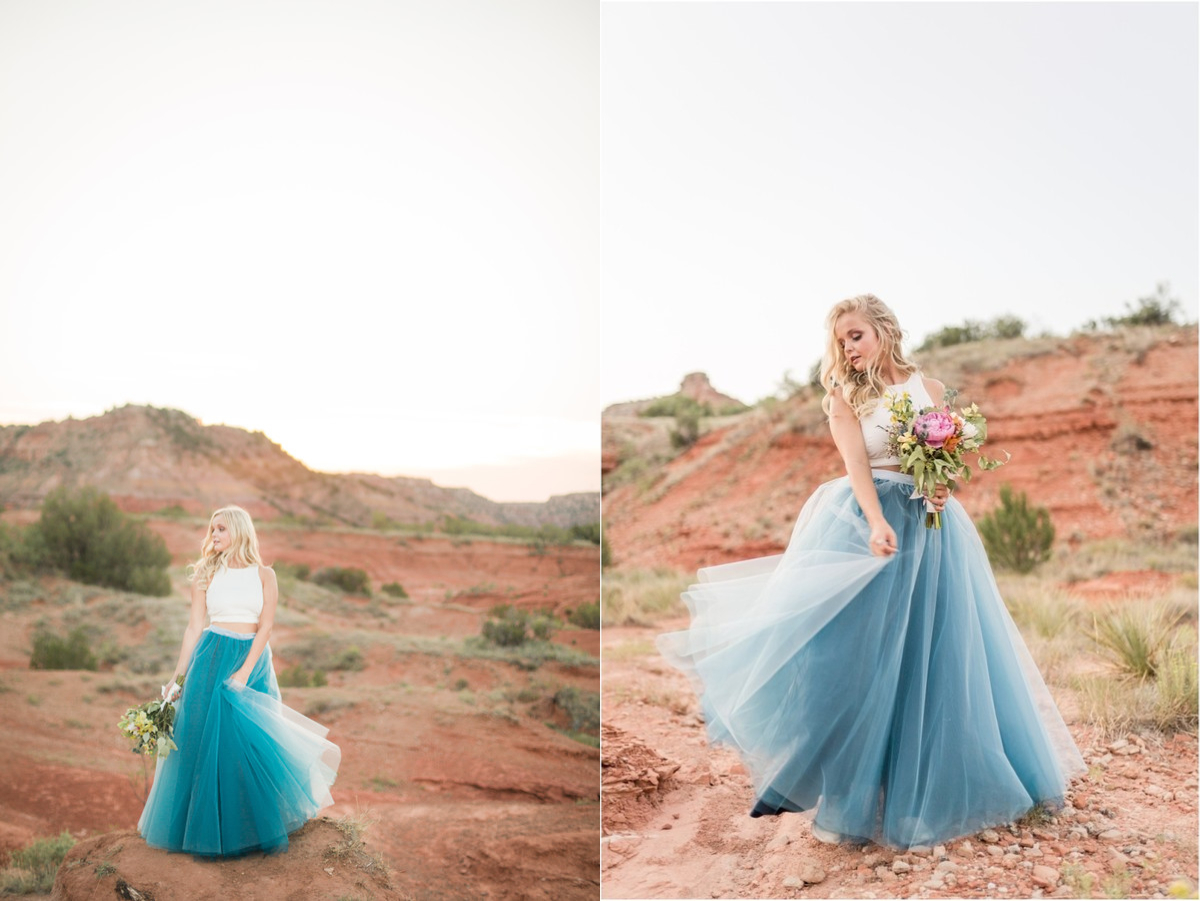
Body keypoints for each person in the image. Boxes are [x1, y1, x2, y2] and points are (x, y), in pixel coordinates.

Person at [658, 294, 1085, 851]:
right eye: (841, 340)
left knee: (937, 653)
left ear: (883, 329)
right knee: (846, 652)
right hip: (871, 523)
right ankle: (798, 773)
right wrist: (877, 521)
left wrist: (938, 485)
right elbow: (856, 466)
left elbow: (947, 462)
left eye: (855, 335)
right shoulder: (844, 396)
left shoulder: (927, 390)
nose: (848, 347)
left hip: (933, 527)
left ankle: (934, 789)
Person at [139, 505, 340, 857]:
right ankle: (197, 833)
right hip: (210, 658)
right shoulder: (205, 572)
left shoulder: (265, 576)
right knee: (199, 741)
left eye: (220, 529)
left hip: (252, 662)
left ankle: (251, 830)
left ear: (239, 531)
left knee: (251, 745)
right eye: (211, 529)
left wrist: (245, 672)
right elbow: (193, 628)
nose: (213, 535)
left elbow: (266, 627)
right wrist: (177, 678)